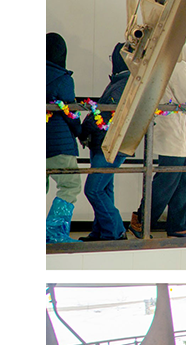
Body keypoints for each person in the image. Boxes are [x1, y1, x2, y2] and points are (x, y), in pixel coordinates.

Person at [127, 38, 186, 238]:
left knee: (177, 181)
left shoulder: (167, 65)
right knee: (170, 182)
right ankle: (144, 221)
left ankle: (175, 225)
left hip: (180, 133)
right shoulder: (179, 68)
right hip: (179, 132)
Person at [79, 43, 131, 241]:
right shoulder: (122, 81)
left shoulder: (122, 83)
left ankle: (115, 231)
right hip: (107, 143)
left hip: (109, 145)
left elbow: (102, 113)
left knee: (93, 189)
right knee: (105, 189)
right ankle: (102, 232)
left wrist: (83, 130)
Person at [46, 33, 82, 243]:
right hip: (58, 144)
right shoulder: (62, 78)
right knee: (70, 185)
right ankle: (54, 232)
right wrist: (79, 132)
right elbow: (70, 112)